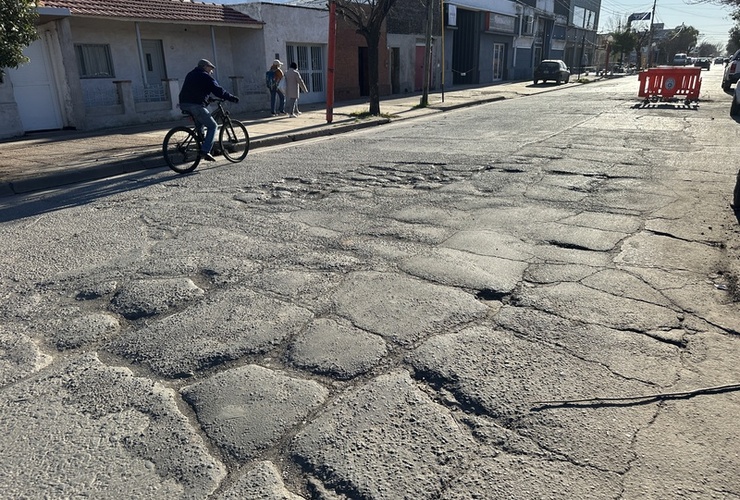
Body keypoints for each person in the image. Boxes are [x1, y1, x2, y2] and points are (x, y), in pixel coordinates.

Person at [178, 59, 239, 161]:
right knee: (213, 126)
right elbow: (218, 90)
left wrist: (208, 99)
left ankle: (201, 142)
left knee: (200, 124)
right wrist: (231, 97)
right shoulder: (205, 76)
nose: (212, 71)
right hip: (195, 105)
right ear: (205, 67)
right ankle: (205, 151)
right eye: (211, 68)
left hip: (184, 104)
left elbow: (195, 90)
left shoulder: (191, 74)